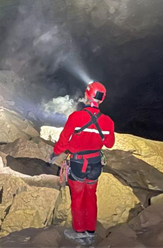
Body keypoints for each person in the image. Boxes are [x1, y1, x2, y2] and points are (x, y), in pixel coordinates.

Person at [50, 81, 115, 244]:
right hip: (95, 165)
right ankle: (90, 233)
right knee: (91, 197)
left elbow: (64, 141)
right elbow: (109, 143)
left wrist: (54, 153)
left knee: (78, 198)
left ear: (87, 95)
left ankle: (80, 232)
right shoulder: (108, 122)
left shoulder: (76, 117)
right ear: (102, 99)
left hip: (78, 164)